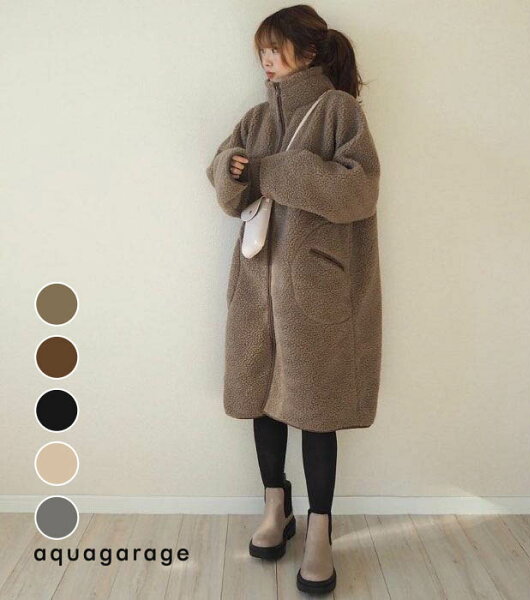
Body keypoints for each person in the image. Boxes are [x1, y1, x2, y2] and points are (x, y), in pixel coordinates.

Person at [205, 4, 382, 594]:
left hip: (315, 287)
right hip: (256, 285)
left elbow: (359, 189)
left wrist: (273, 172)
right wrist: (231, 172)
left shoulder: (338, 110)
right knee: (262, 397)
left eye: (275, 48)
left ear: (308, 51)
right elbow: (223, 179)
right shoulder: (256, 118)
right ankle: (275, 508)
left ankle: (320, 531)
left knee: (315, 408)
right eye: (261, 50)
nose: (266, 59)